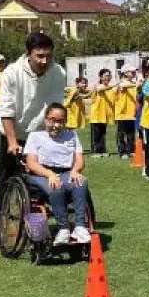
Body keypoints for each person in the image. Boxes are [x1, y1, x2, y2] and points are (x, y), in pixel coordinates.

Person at [0, 32, 67, 191]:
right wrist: (12, 141)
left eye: (49, 56)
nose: (45, 61)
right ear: (28, 54)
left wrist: (56, 136)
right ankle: (0, 215)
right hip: (13, 133)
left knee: (42, 182)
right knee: (5, 183)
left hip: (40, 135)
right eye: (40, 56)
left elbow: (55, 107)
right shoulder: (12, 72)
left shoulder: (58, 73)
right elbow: (6, 109)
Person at [22, 103, 92, 246]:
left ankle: (79, 227)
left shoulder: (72, 135)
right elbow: (32, 163)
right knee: (55, 184)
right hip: (40, 174)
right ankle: (63, 228)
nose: (56, 125)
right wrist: (50, 174)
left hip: (66, 172)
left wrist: (75, 170)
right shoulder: (35, 136)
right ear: (46, 119)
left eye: (60, 121)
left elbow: (79, 159)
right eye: (52, 120)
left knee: (81, 181)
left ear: (65, 121)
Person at [88, 69, 115, 157]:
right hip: (96, 114)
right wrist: (114, 85)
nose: (108, 77)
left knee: (103, 133)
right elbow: (100, 89)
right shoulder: (97, 85)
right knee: (96, 134)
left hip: (104, 114)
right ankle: (95, 152)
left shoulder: (109, 87)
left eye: (109, 75)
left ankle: (102, 150)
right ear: (100, 77)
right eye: (106, 75)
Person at [113, 64, 139, 158]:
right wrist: (136, 84)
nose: (134, 73)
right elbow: (123, 85)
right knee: (121, 134)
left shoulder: (133, 84)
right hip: (121, 113)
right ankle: (122, 152)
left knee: (131, 133)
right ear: (125, 73)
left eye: (134, 72)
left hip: (131, 113)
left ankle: (131, 150)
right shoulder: (122, 83)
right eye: (131, 72)